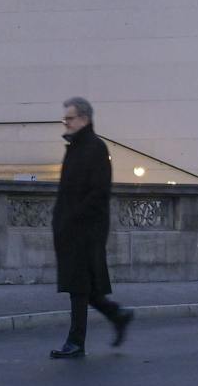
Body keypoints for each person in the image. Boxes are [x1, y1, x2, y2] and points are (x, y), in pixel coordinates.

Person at [49, 97, 134, 359]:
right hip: (74, 227)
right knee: (86, 287)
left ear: (84, 119)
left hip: (85, 229)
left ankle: (76, 342)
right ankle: (117, 316)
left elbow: (98, 192)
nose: (66, 123)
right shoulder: (76, 147)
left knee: (79, 285)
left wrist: (72, 218)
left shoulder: (95, 148)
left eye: (70, 118)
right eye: (65, 118)